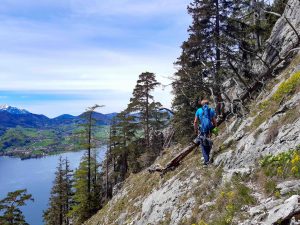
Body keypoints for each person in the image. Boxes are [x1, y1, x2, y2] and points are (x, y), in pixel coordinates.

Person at [194, 99, 217, 166]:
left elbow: (195, 122)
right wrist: (216, 129)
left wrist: (195, 130)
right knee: (208, 142)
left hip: (202, 130)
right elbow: (214, 121)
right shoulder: (211, 110)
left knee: (203, 145)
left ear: (202, 104)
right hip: (209, 129)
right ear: (208, 103)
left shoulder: (199, 110)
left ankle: (206, 161)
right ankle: (208, 157)